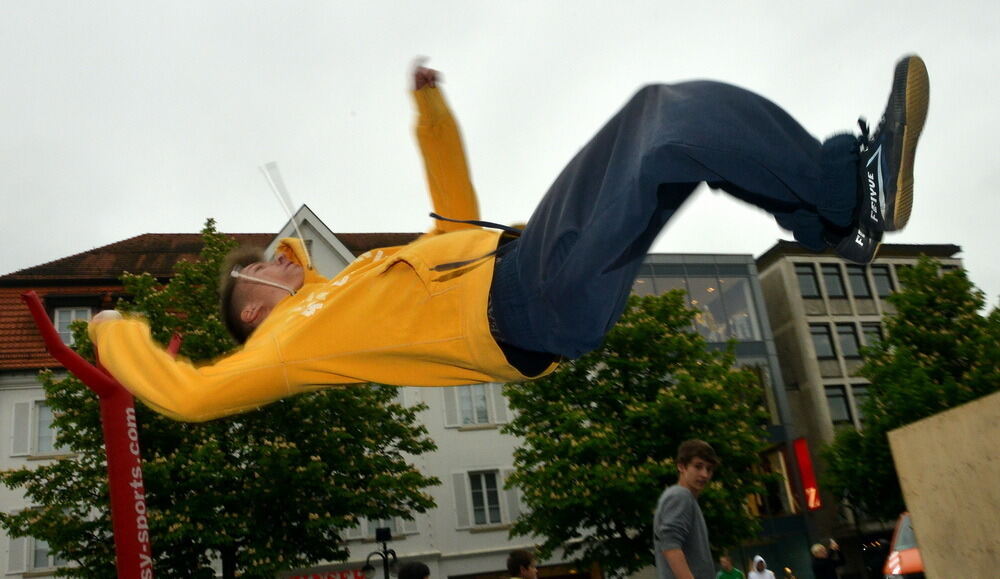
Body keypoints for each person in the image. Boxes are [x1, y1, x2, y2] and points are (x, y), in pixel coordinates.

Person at [88, 56, 929, 422]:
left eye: (274, 258)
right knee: (663, 136)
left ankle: (837, 211)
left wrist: (430, 112)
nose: (279, 259)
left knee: (664, 115)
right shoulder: (292, 345)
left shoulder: (348, 287)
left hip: (521, 259)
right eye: (263, 272)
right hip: (526, 307)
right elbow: (192, 395)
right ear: (255, 313)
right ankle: (846, 193)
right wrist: (113, 331)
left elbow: (454, 217)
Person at [654, 440, 719, 579]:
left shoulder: (686, 499)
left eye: (709, 469)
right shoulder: (680, 495)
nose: (704, 474)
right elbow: (670, 545)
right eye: (698, 466)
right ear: (681, 466)